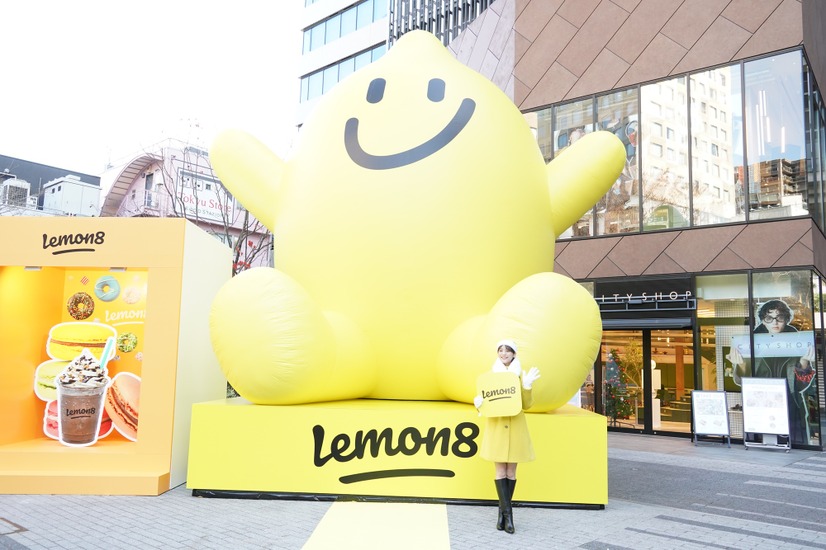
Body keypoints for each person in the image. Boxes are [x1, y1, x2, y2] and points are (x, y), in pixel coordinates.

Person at [473, 340, 540, 535]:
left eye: (507, 350)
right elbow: (484, 403)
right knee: (499, 471)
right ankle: (507, 516)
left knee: (511, 473)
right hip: (497, 427)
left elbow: (526, 405)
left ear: (514, 354)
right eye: (500, 350)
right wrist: (478, 404)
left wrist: (526, 387)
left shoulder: (519, 375)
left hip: (516, 427)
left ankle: (503, 515)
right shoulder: (491, 377)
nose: (503, 354)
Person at [728, 299, 817, 445]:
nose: (775, 323)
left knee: (790, 438)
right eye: (769, 318)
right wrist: (741, 364)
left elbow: (800, 387)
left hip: (789, 400)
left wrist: (804, 362)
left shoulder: (797, 343)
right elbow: (743, 381)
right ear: (763, 320)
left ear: (786, 319)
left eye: (780, 318)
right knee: (762, 434)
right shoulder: (750, 343)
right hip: (761, 399)